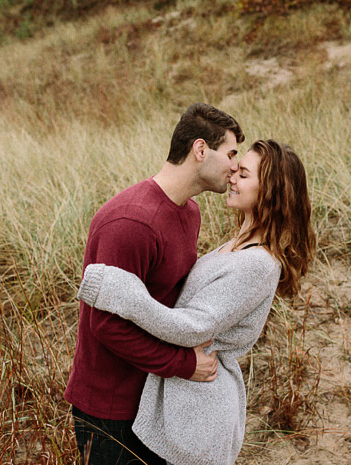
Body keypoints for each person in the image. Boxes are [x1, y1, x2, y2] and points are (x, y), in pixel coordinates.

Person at [77, 139, 314, 464]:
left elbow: (193, 327)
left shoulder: (258, 264)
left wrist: (124, 293)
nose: (232, 175)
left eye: (243, 174)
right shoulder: (238, 245)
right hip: (187, 400)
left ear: (269, 191)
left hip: (200, 409)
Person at [66, 102, 243, 464]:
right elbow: (106, 326)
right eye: (231, 153)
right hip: (110, 411)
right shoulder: (131, 222)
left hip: (152, 401)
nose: (236, 166)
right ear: (199, 150)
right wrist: (183, 364)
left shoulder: (189, 211)